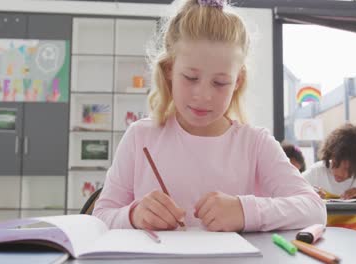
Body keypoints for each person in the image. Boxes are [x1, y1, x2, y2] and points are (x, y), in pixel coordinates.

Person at [93, 0, 326, 232]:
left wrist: (245, 211)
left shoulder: (255, 143)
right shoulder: (140, 136)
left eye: (220, 82)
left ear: (238, 82)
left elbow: (315, 209)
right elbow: (101, 215)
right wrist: (134, 215)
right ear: (169, 70)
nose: (203, 96)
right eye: (191, 78)